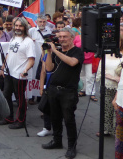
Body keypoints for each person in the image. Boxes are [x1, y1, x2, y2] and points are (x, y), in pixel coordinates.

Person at [42, 28, 84, 159]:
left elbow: (72, 62)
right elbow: (49, 68)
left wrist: (55, 51)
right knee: (55, 117)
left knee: (69, 119)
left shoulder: (77, 51)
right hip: (54, 89)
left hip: (68, 91)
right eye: (59, 37)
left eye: (64, 37)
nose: (61, 39)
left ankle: (72, 146)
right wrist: (49, 53)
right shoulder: (57, 51)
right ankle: (57, 141)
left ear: (72, 38)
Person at [0, 17, 35, 129]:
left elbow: (31, 59)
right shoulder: (13, 38)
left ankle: (20, 120)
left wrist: (25, 70)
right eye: (16, 25)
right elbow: (8, 54)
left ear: (25, 27)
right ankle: (9, 117)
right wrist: (3, 67)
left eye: (20, 26)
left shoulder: (28, 41)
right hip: (9, 72)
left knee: (20, 98)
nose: (18, 28)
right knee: (6, 94)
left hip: (20, 74)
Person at [96, 26, 122, 136]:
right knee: (106, 108)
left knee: (119, 108)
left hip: (120, 87)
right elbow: (101, 70)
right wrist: (111, 77)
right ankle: (106, 128)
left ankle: (118, 129)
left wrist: (116, 78)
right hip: (107, 84)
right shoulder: (106, 54)